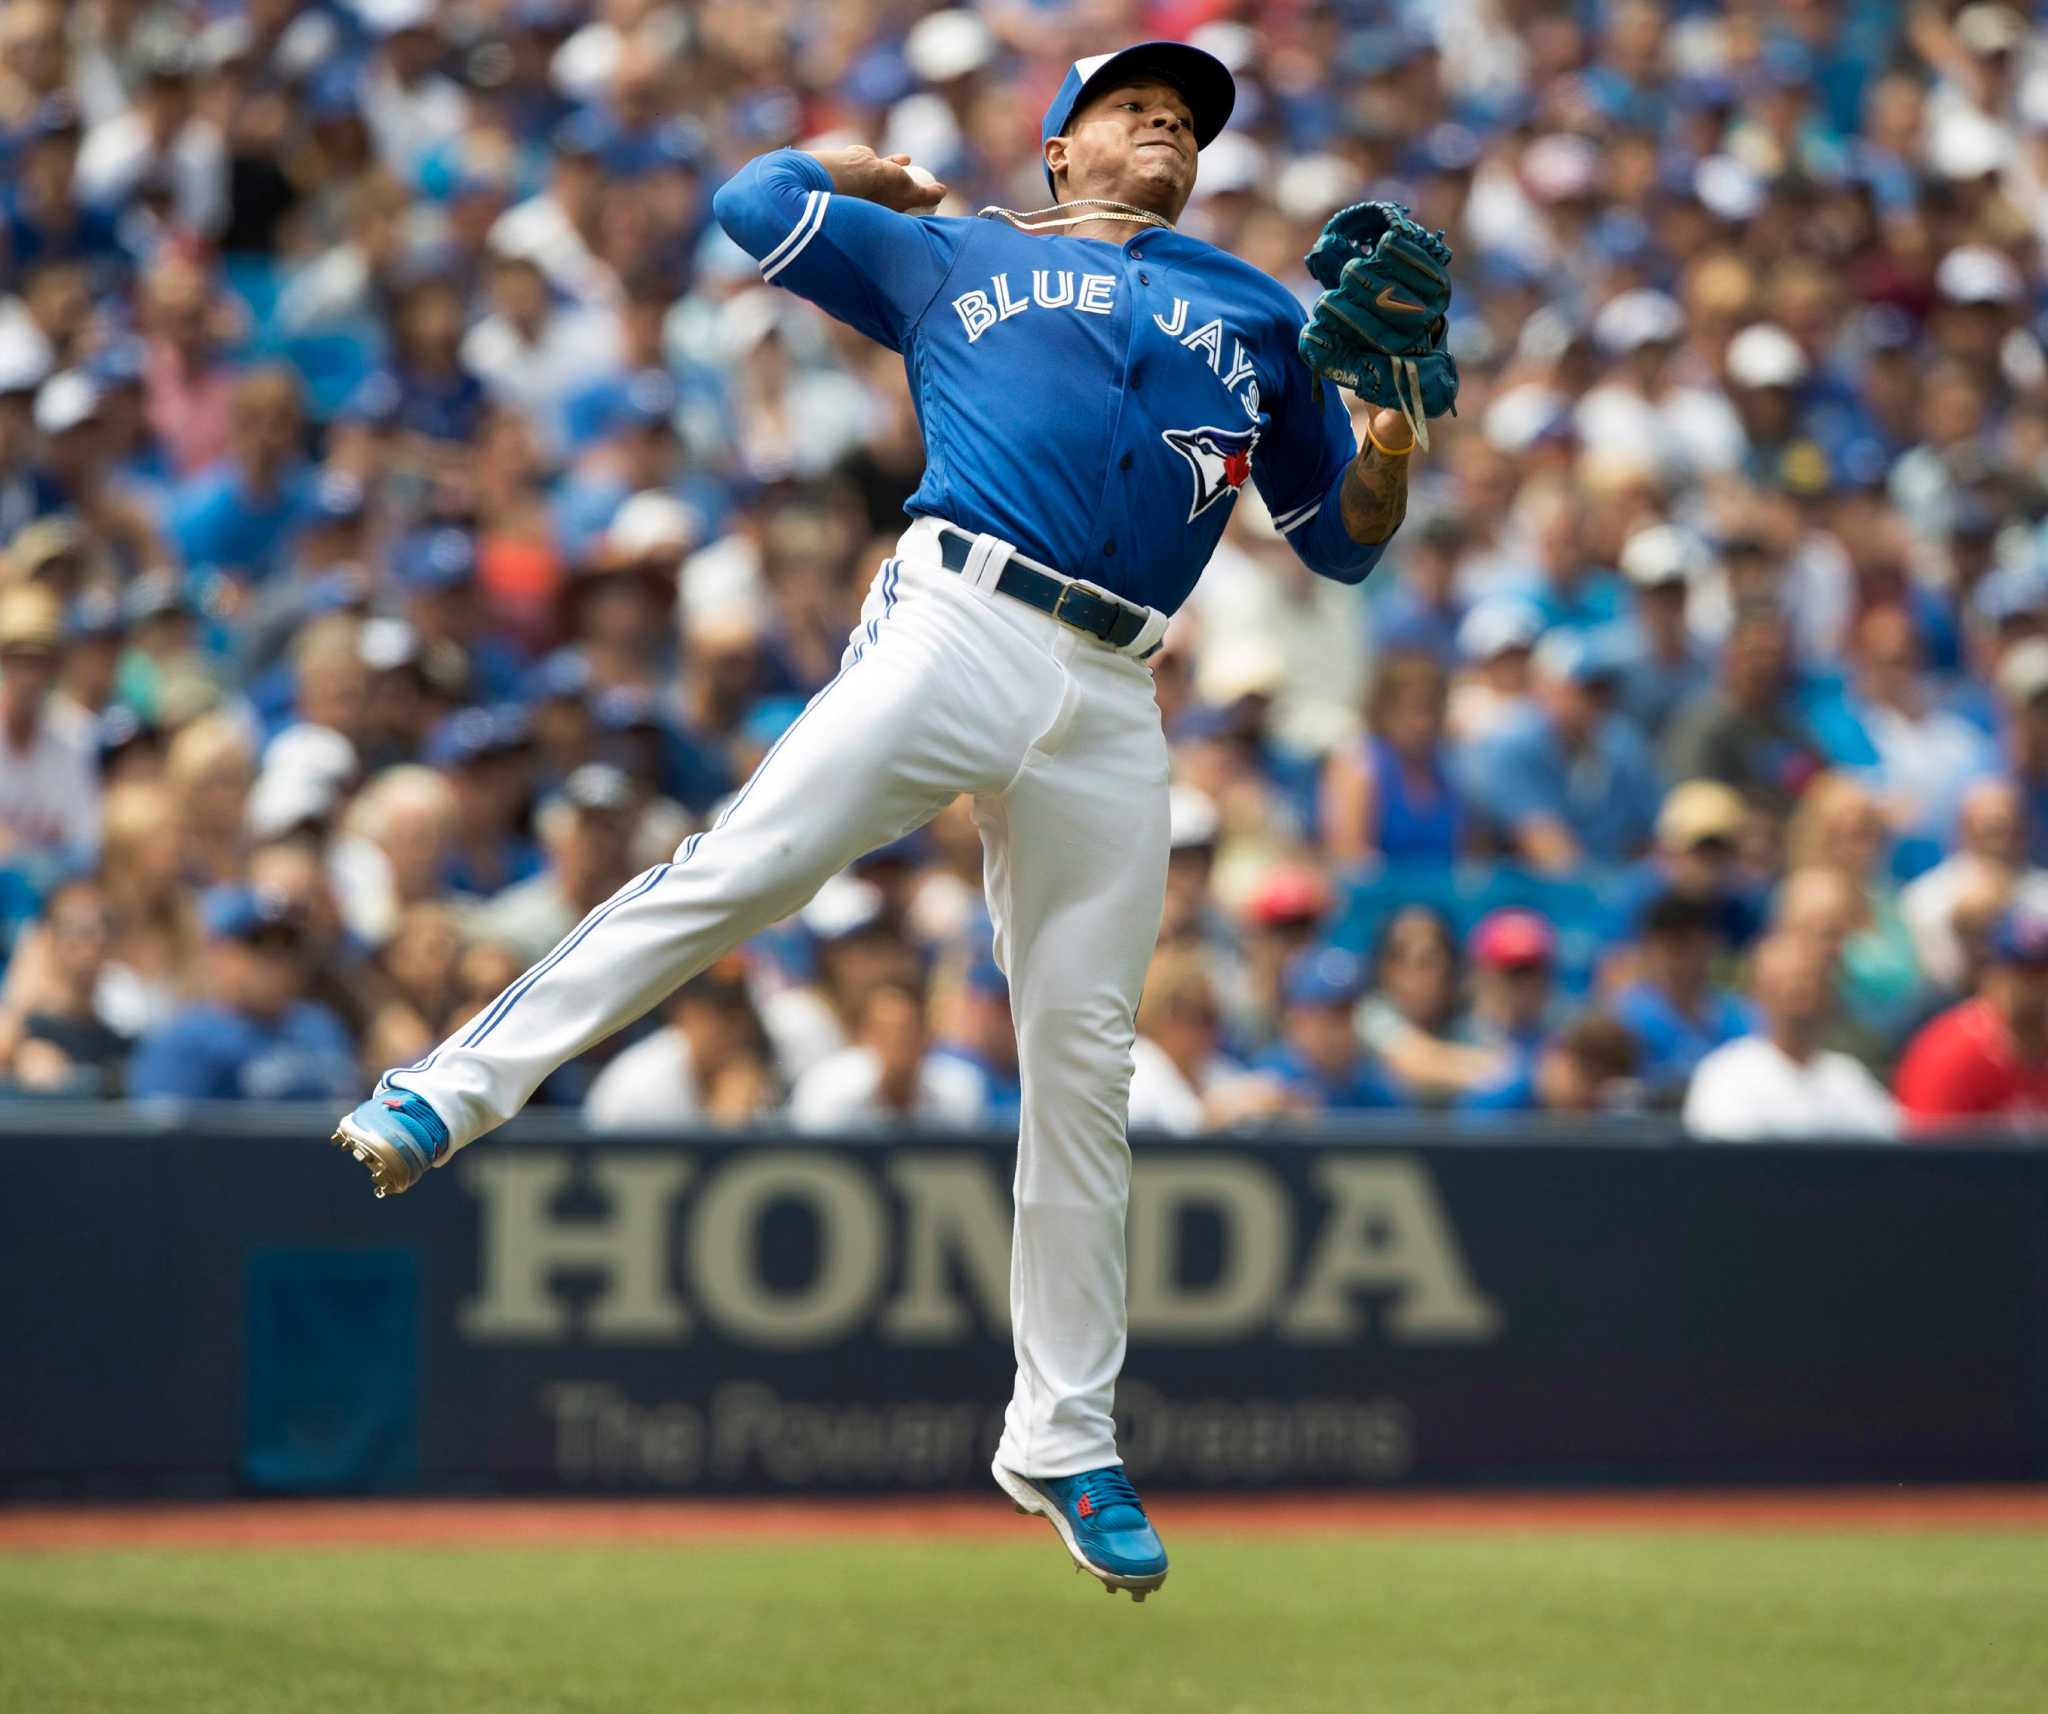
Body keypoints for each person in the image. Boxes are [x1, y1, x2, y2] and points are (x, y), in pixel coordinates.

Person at [332, 40, 1433, 1599]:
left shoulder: (1257, 309)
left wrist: (1389, 433)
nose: (1166, 134)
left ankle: (1064, 1434)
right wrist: (871, 174)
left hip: (1120, 685)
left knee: (1086, 1058)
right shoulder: (956, 250)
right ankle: (455, 1086)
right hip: (959, 613)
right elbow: (746, 201)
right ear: (1059, 145)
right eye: (1133, 110)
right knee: (755, 862)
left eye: (1185, 122)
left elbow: (1344, 548)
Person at [130, 884, 358, 1102]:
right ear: (218, 953)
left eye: (288, 946)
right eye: (258, 945)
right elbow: (163, 1138)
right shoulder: (185, 1042)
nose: (276, 960)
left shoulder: (322, 1027)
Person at [1682, 933, 1898, 1141]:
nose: (1800, 999)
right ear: (1758, 993)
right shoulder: (1725, 1076)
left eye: (1812, 985)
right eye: (1786, 987)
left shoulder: (1848, 1077)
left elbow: (1893, 1147)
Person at [1894, 905, 2048, 1133]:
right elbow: (1927, 1159)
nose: (2033, 991)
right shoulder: (1951, 1054)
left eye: (2041, 975)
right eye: (2020, 975)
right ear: (1990, 975)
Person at [582, 954, 780, 1130]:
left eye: (739, 1012)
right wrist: (727, 1127)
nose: (734, 1028)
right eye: (720, 1013)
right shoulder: (642, 1084)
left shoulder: (754, 1071)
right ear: (682, 1013)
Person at [788, 973, 987, 1130]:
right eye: (885, 1032)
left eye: (907, 1032)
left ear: (927, 1035)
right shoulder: (826, 1088)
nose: (897, 1043)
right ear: (864, 1035)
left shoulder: (960, 1088)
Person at [1611, 891, 1752, 1102]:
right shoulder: (1624, 1020)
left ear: (1711, 945)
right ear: (1649, 947)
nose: (1679, 960)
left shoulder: (1740, 1018)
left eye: (1690, 944)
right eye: (1670, 946)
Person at [0, 583, 97, 871]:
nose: (28, 676)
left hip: (56, 891)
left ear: (55, 668)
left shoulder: (77, 735)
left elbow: (84, 842)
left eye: (39, 662)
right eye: (19, 660)